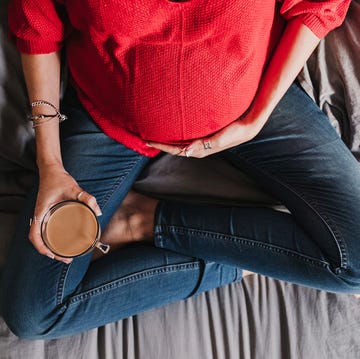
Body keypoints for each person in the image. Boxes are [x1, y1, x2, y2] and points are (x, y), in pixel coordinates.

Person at [1, 0, 359, 340]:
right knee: (34, 312)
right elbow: (38, 30)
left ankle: (143, 220)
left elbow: (318, 7)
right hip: (109, 119)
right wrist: (50, 164)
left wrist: (256, 117)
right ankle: (255, 257)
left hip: (257, 101)